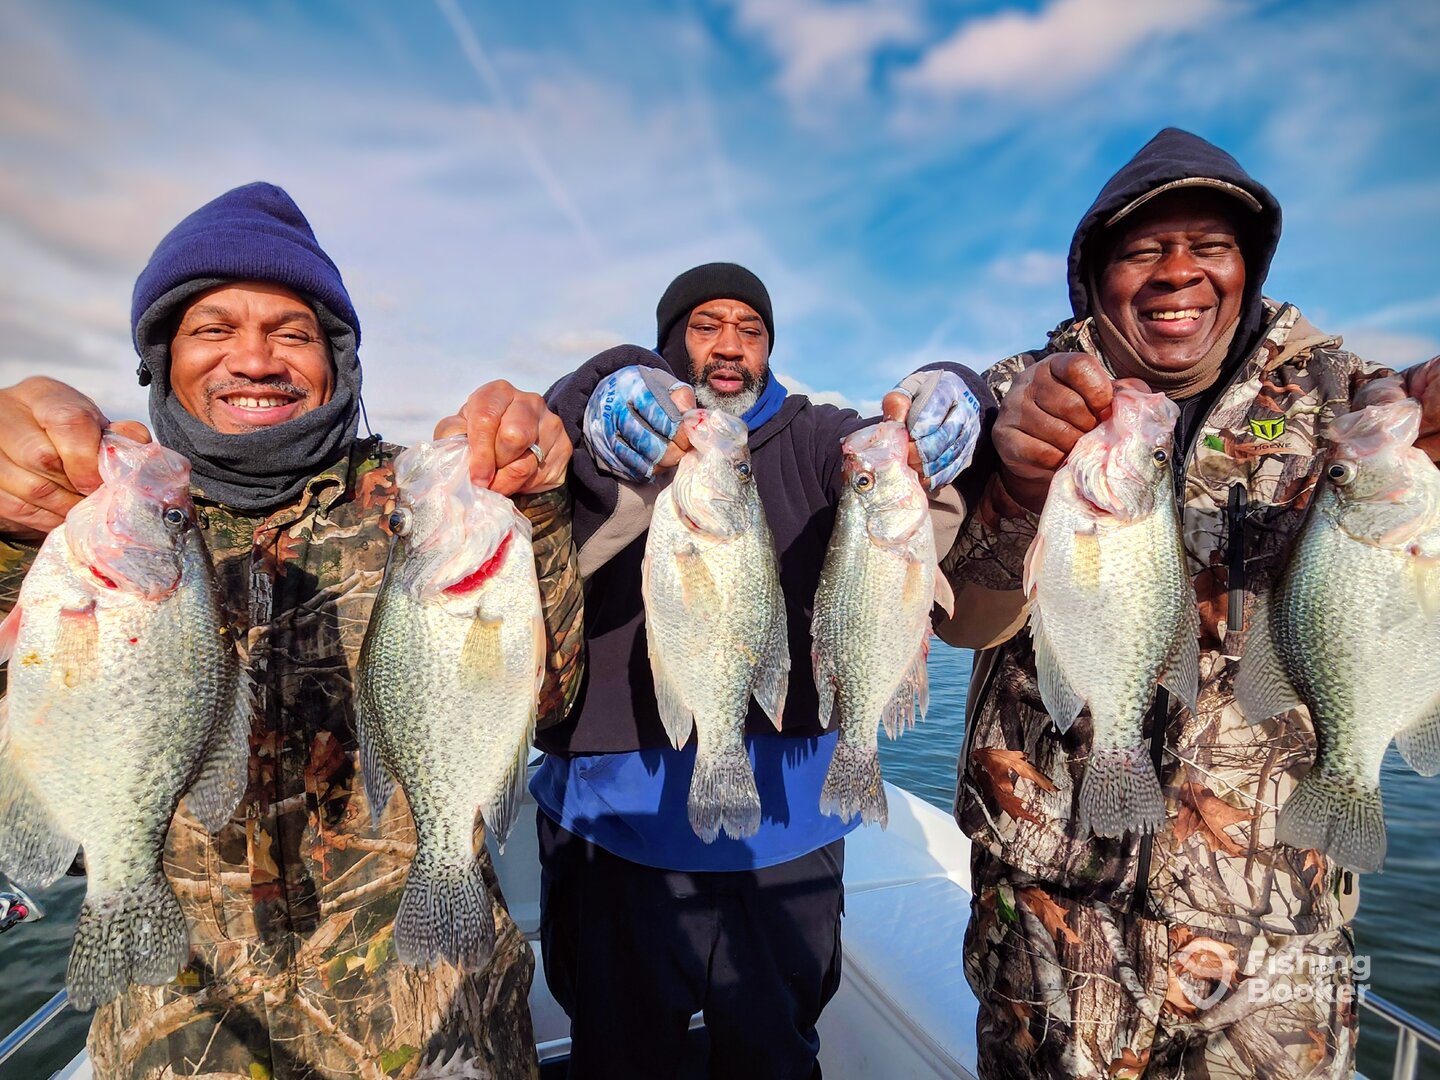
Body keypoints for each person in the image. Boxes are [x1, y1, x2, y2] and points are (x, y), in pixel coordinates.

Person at [0, 182, 584, 1080]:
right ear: (161, 359)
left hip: (436, 1032)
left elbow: (546, 701)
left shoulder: (419, 500)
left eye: (293, 332)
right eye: (212, 328)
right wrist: (12, 534)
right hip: (181, 1041)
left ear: (336, 359)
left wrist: (534, 504)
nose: (255, 358)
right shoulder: (90, 516)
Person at [942, 127, 1440, 1078]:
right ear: (1093, 278)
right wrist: (1014, 490)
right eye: (1142, 250)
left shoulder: (1352, 403)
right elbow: (960, 619)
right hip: (1050, 920)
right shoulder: (1021, 396)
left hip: (1277, 933)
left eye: (1211, 246)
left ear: (1249, 268)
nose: (1179, 271)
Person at [534, 261, 993, 1079]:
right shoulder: (620, 435)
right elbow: (550, 441)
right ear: (669, 341)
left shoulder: (816, 438)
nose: (730, 346)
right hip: (618, 825)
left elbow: (893, 444)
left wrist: (949, 391)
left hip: (791, 823)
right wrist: (600, 387)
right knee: (618, 1058)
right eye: (706, 326)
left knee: (774, 1055)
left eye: (750, 330)